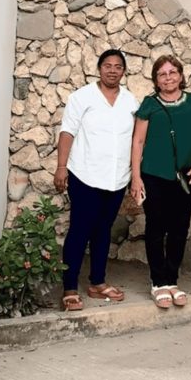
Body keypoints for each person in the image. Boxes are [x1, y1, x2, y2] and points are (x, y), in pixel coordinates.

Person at [54, 49, 138, 311]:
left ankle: (97, 283)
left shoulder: (131, 102)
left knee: (104, 230)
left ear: (124, 71)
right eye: (107, 65)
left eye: (118, 66)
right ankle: (69, 287)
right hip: (85, 175)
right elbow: (68, 132)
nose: (112, 70)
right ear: (99, 68)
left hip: (116, 179)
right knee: (80, 230)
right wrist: (61, 167)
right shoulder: (82, 97)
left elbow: (137, 139)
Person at [130, 55, 191, 309]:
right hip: (154, 175)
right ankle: (158, 282)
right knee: (155, 228)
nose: (168, 77)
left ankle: (172, 280)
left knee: (180, 228)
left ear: (181, 76)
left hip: (185, 176)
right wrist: (136, 177)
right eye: (162, 74)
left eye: (173, 72)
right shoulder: (149, 105)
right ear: (156, 80)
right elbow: (138, 142)